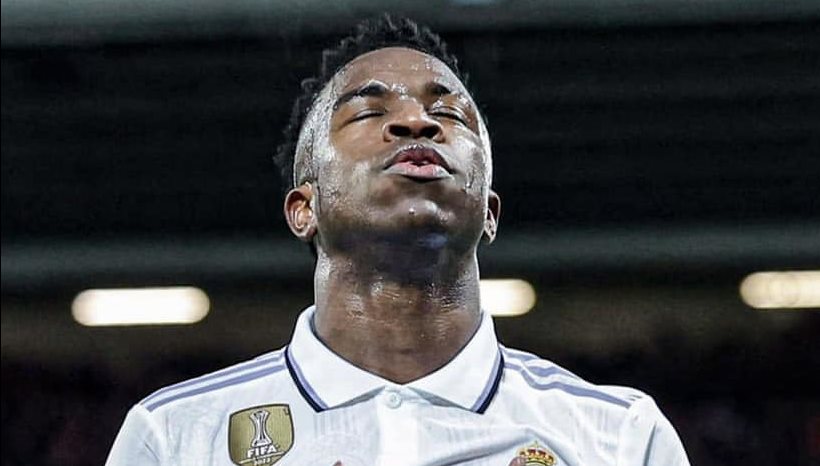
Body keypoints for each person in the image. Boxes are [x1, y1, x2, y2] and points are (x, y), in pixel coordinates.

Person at [106, 15, 690, 466]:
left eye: (448, 113)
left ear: (489, 212)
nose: (417, 122)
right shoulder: (176, 436)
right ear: (304, 208)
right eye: (368, 111)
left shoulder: (619, 436)